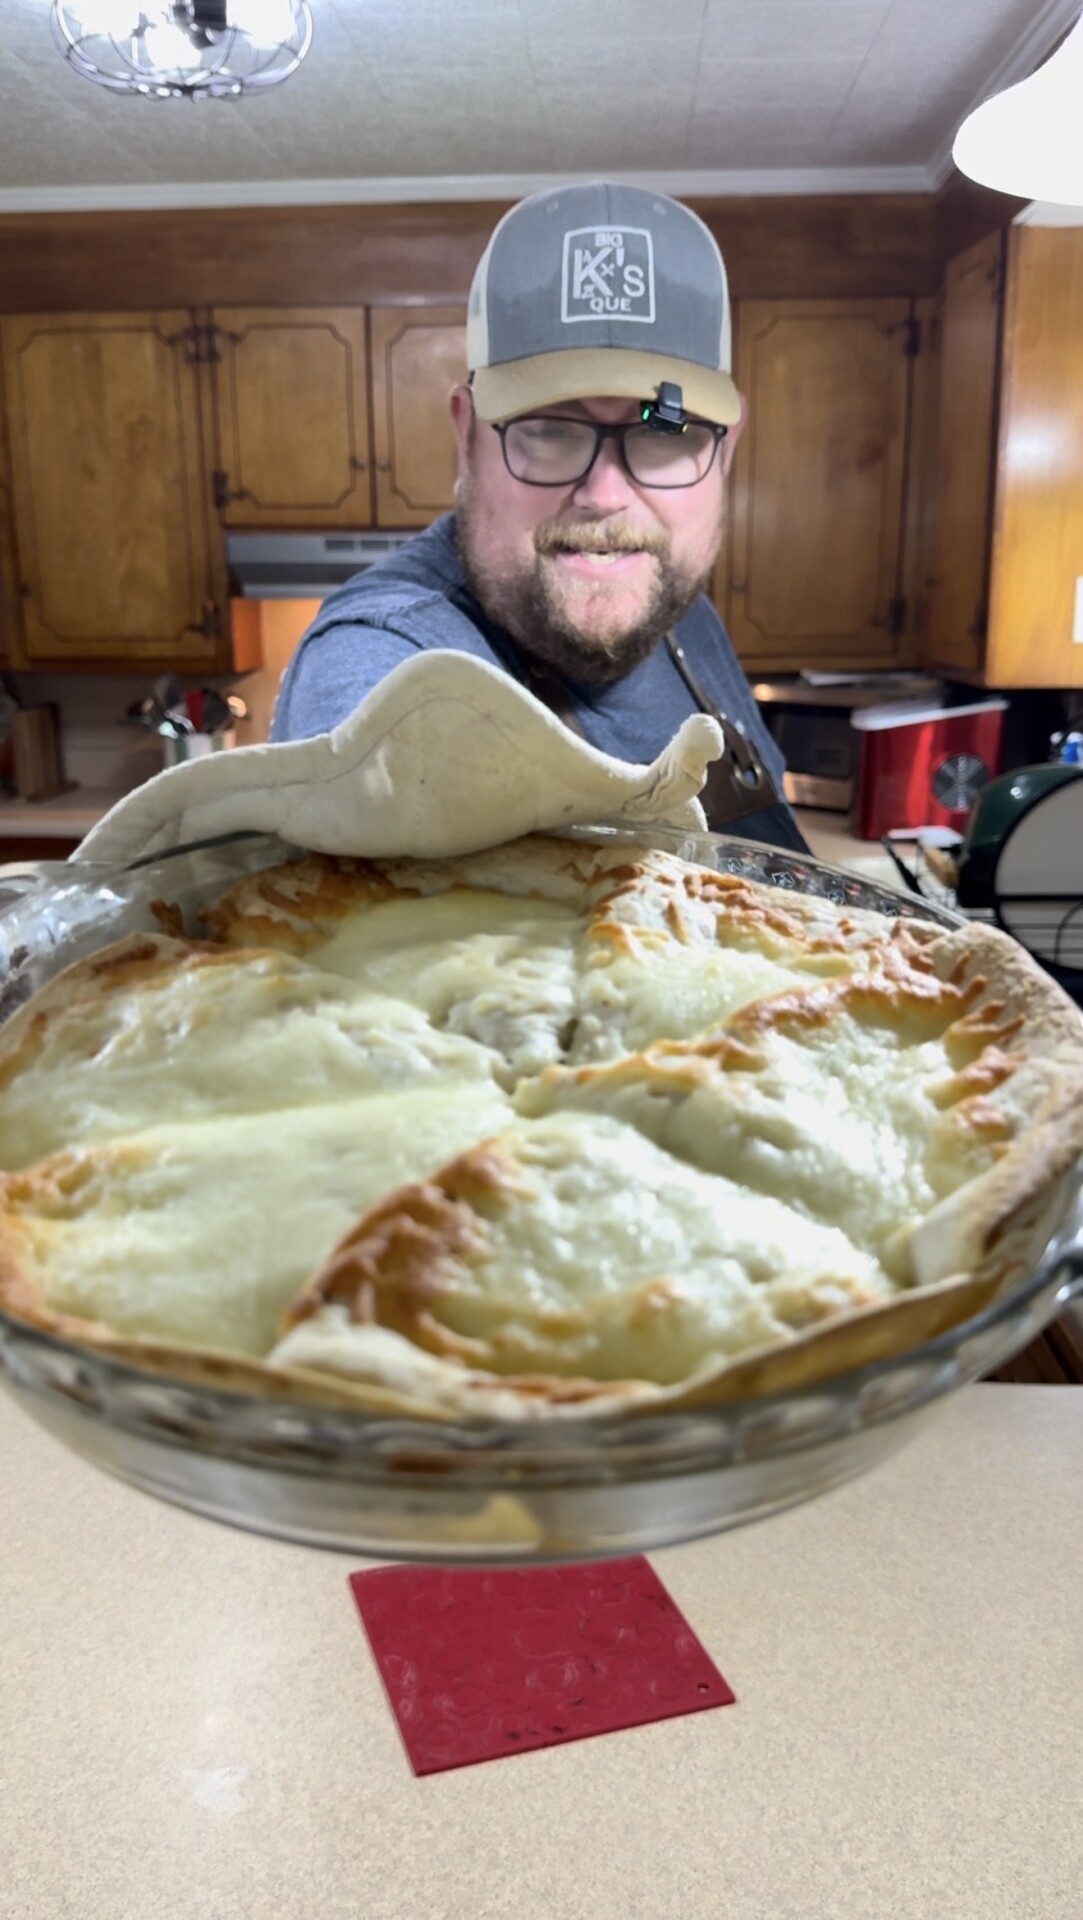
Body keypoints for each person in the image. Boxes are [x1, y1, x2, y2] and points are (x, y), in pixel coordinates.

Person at [272, 181, 805, 850]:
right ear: (466, 437)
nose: (606, 496)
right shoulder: (394, 660)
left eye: (664, 432)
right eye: (550, 429)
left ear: (726, 449)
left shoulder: (679, 609)